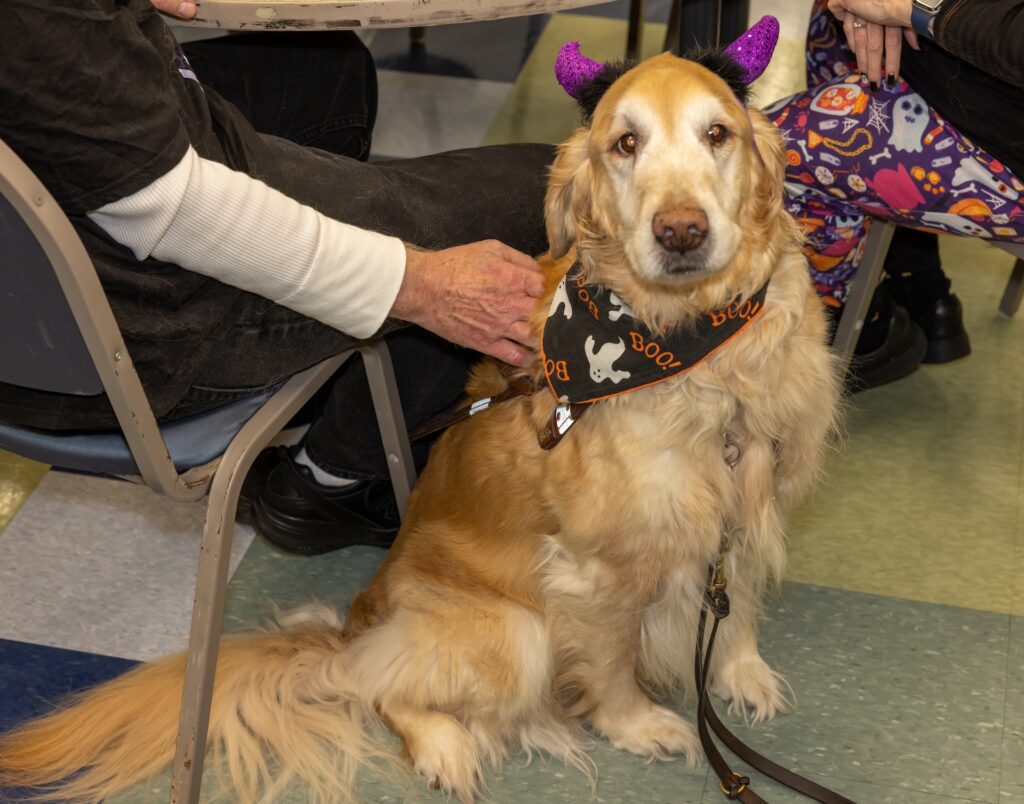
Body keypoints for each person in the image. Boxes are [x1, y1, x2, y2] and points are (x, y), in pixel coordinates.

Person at [0, 0, 554, 553]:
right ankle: (331, 481)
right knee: (549, 194)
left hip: (45, 259)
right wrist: (423, 286)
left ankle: (318, 377)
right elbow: (174, 209)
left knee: (322, 69)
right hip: (135, 325)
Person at [763, 0, 1024, 387]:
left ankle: (861, 322)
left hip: (1006, 133)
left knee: (770, 156)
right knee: (832, 16)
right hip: (969, 80)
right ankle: (917, 280)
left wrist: (911, 7)